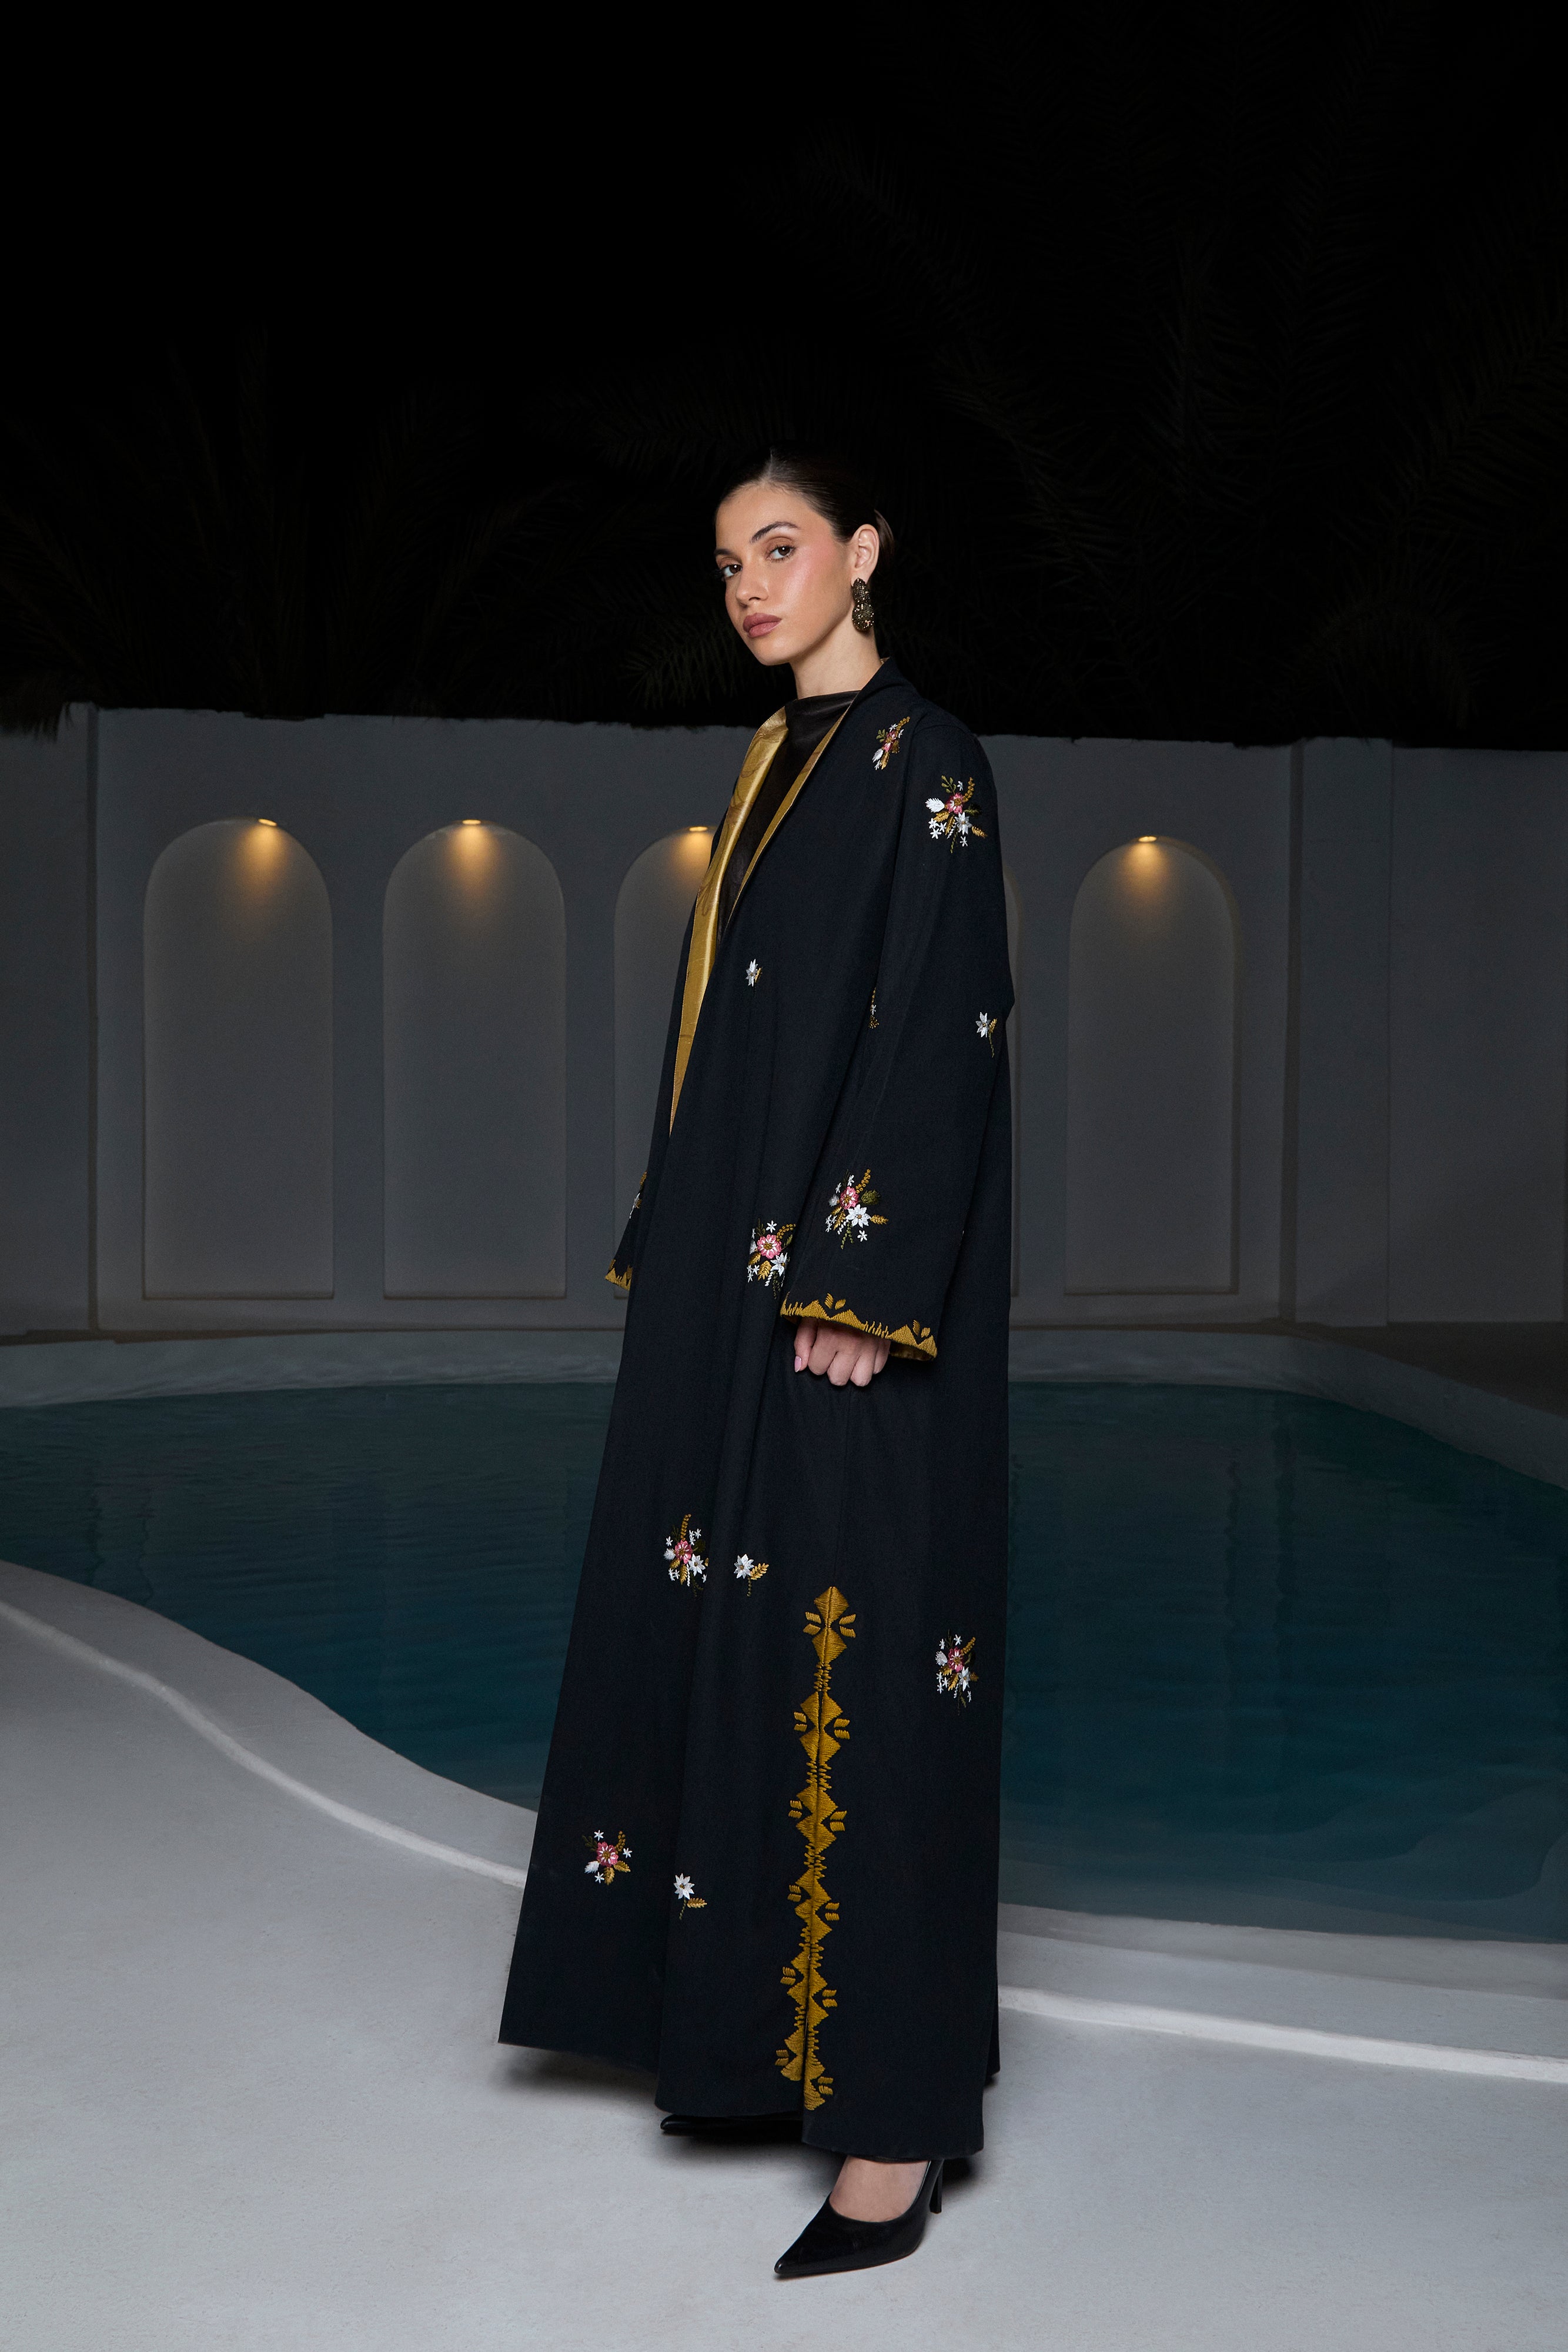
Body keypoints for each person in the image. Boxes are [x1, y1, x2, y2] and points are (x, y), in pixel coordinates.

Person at [499, 447, 1013, 2279]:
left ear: (864, 552)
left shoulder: (926, 757)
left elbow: (945, 1023)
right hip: (735, 1285)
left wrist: (859, 1281)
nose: (748, 586)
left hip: (842, 1297)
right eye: (726, 562)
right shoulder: (779, 757)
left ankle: (893, 2132)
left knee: (860, 1653)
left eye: (780, 548)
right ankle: (744, 2041)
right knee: (727, 1624)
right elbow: (735, 1037)